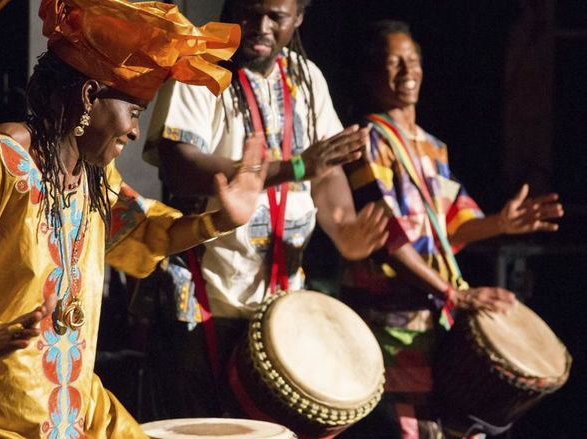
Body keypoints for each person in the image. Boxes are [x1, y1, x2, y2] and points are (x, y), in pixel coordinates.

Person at [0, 1, 267, 437]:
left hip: (63, 405)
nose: (133, 131)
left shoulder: (93, 178)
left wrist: (220, 220)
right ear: (90, 96)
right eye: (133, 112)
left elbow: (149, 231)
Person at [141, 0, 389, 420]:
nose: (261, 26)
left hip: (281, 303)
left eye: (276, 16)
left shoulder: (306, 77)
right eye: (250, 11)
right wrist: (293, 167)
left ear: (299, 19)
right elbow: (179, 163)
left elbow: (325, 172)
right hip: (206, 296)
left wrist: (344, 227)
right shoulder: (202, 64)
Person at [339, 20, 564, 438]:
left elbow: (450, 227)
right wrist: (454, 294)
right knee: (412, 429)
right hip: (390, 317)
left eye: (413, 60)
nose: (407, 72)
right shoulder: (364, 142)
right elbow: (388, 238)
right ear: (372, 74)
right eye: (393, 63)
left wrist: (500, 223)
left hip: (435, 315)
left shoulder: (431, 145)